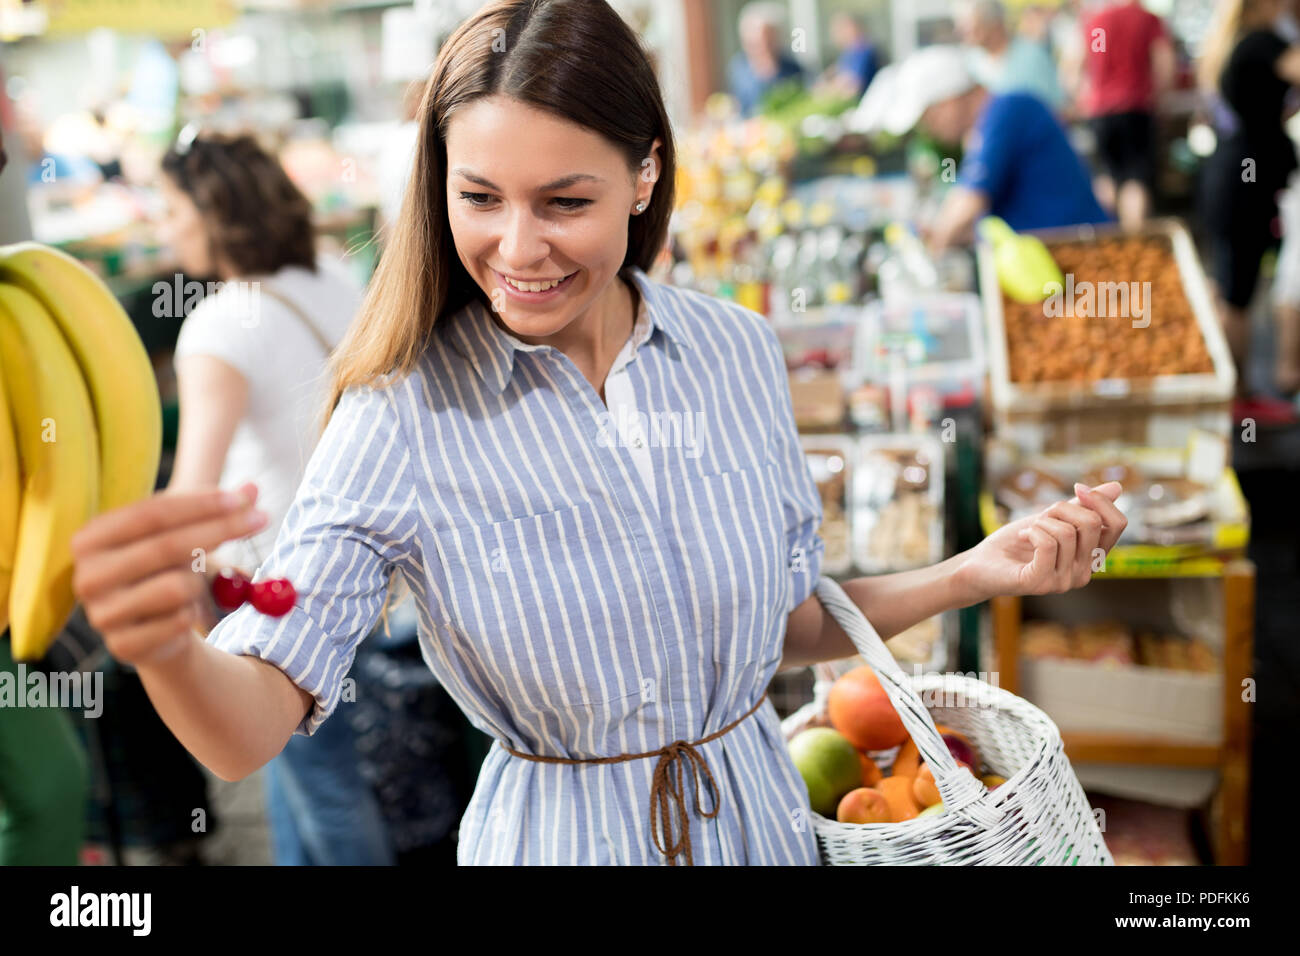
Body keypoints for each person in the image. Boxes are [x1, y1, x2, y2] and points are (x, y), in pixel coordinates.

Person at [71, 0, 1129, 867]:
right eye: (478, 197)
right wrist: (166, 646)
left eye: (563, 200)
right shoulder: (399, 416)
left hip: (762, 828)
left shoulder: (735, 353)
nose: (515, 246)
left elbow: (789, 621)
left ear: (646, 176)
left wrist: (971, 571)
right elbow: (252, 722)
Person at [156, 129, 393, 865]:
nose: (164, 230)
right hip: (362, 565)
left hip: (274, 591)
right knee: (308, 784)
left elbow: (192, 493)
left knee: (323, 793)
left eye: (170, 210)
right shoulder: (331, 274)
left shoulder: (219, 324)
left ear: (212, 210)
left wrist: (174, 597)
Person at [862, 45, 1109, 253]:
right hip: (1061, 257)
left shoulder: (1007, 110)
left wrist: (935, 245)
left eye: (929, 118)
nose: (929, 130)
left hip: (1082, 258)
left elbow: (968, 202)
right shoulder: (988, 125)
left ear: (949, 99)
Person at [1198, 0, 1300, 389]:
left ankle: (1237, 390)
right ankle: (1238, 392)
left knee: (1233, 288)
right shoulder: (1262, 42)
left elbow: (1261, 107)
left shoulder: (1235, 42)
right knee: (1238, 293)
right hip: (1246, 181)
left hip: (1231, 173)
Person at [1075, 0, 1176, 230]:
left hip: (1099, 113)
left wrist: (1085, 98)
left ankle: (1105, 238)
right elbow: (1165, 62)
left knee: (1106, 177)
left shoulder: (1096, 20)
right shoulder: (1146, 19)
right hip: (1135, 109)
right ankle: (1133, 240)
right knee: (1135, 179)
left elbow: (1075, 66)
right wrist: (1160, 100)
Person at [956, 0, 1067, 112]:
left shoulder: (1031, 56)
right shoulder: (971, 62)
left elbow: (1053, 106)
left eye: (968, 23)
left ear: (994, 23)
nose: (961, 30)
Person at [728, 1, 805, 116]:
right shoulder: (739, 68)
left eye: (768, 40)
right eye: (757, 41)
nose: (763, 46)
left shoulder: (792, 68)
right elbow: (737, 106)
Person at [815, 11, 880, 100]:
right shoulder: (848, 53)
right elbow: (828, 77)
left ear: (852, 28)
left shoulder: (862, 51)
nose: (835, 34)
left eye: (839, 29)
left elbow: (853, 88)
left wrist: (827, 90)